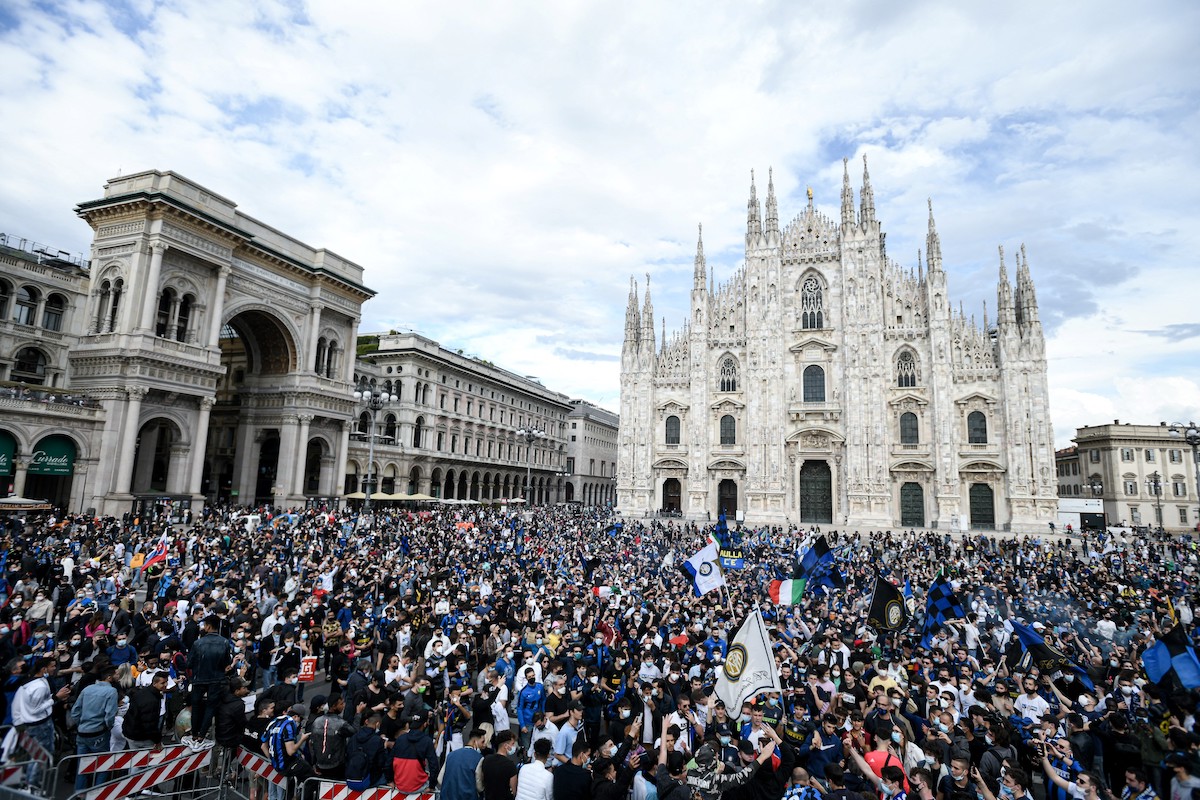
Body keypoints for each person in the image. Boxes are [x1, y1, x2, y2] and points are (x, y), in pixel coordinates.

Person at [71, 664, 119, 792]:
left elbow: (75, 711)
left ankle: (79, 792)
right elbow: (110, 715)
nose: (118, 676)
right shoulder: (111, 691)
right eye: (116, 674)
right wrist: (107, 727)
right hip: (99, 733)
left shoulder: (88, 689)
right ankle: (97, 792)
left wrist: (80, 724)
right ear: (109, 677)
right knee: (103, 764)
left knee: (83, 764)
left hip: (82, 732)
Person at [186, 614, 231, 747]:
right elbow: (226, 663)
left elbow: (189, 663)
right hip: (216, 679)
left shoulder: (198, 643)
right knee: (211, 707)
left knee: (196, 705)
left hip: (199, 679)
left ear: (208, 626)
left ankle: (194, 733)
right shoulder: (224, 642)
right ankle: (202, 735)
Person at [263, 703, 314, 800]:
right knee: (311, 778)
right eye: (300, 719)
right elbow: (290, 751)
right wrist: (302, 739)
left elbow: (263, 745)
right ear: (295, 716)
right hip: (287, 765)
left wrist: (273, 760)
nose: (300, 722)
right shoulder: (290, 724)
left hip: (277, 765)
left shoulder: (274, 721)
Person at [214, 676, 252, 782]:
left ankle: (225, 768)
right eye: (243, 688)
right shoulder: (238, 704)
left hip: (221, 734)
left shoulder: (224, 698)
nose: (246, 689)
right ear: (237, 690)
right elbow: (242, 723)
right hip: (230, 737)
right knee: (250, 744)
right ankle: (236, 773)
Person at [393, 710, 440, 792]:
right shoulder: (427, 741)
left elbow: (389, 761)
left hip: (399, 785)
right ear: (425, 724)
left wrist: (390, 780)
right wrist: (431, 786)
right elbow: (434, 766)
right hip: (418, 786)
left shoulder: (400, 739)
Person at [311, 695, 355, 779]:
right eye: (341, 704)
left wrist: (314, 762)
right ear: (334, 706)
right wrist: (358, 714)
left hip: (320, 764)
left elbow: (312, 743)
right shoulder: (341, 724)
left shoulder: (316, 722)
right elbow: (354, 732)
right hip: (336, 765)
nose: (344, 705)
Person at [345, 711, 388, 790]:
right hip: (369, 779)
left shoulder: (353, 737)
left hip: (351, 777)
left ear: (366, 722)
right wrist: (384, 748)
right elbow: (381, 762)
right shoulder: (378, 740)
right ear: (377, 724)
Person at [441, 726, 486, 800]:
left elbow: (440, 779)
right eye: (482, 742)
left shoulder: (451, 755)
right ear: (475, 741)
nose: (484, 745)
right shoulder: (479, 758)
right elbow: (479, 786)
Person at [480, 729, 521, 800]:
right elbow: (514, 790)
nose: (514, 747)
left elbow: (482, 779)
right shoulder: (510, 765)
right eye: (512, 744)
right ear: (505, 745)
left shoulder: (486, 759)